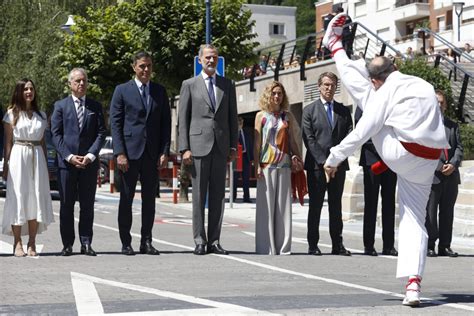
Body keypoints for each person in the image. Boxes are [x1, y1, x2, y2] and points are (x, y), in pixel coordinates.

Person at [322, 13, 448, 306]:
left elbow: (365, 129)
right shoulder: (424, 85)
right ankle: (413, 284)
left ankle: (335, 47)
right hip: (427, 162)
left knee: (366, 101)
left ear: (378, 80)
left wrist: (335, 156)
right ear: (396, 67)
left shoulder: (381, 90)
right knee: (415, 219)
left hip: (399, 153)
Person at [178, 43, 238, 256]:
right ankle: (199, 240)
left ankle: (214, 240)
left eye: (214, 57)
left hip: (221, 147)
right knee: (199, 196)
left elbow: (232, 117)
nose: (211, 61)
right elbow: (182, 119)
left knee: (218, 196)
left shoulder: (227, 85)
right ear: (200, 60)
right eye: (207, 58)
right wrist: (183, 148)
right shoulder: (189, 85)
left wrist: (233, 145)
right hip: (197, 148)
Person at [110, 51, 171, 256]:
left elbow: (165, 125)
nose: (146, 70)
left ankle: (146, 241)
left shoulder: (159, 92)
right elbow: (116, 124)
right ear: (134, 67)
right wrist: (119, 153)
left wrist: (164, 152)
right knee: (126, 199)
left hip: (152, 155)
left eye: (149, 66)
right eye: (142, 66)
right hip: (129, 154)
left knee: (149, 201)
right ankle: (126, 242)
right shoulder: (121, 90)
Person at [51, 68, 107, 256]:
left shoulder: (95, 107)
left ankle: (86, 243)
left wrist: (90, 155)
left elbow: (101, 133)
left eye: (84, 81)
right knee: (66, 204)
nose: (81, 84)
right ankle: (67, 244)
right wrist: (69, 156)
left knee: (87, 205)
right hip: (66, 164)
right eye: (77, 81)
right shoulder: (60, 106)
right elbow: (56, 134)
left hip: (88, 164)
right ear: (70, 84)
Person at [302, 72, 353, 256]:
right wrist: (325, 162)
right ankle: (313, 244)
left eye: (332, 85)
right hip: (317, 167)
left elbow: (349, 136)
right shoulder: (309, 110)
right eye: (325, 85)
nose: (329, 88)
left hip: (338, 166)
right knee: (315, 205)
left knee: (336, 206)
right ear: (319, 86)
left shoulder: (344, 111)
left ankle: (337, 244)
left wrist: (336, 161)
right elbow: (309, 139)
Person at [2, 78, 54, 257]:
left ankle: (32, 242)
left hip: (37, 156)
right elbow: (8, 143)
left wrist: (46, 166)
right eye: (25, 89)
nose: (29, 92)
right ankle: (17, 243)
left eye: (31, 88)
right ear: (19, 91)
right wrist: (6, 165)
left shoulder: (42, 114)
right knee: (18, 198)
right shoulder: (11, 114)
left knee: (36, 198)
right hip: (18, 156)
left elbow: (43, 142)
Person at [254, 81, 303, 255]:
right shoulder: (261, 116)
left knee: (283, 208)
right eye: (274, 93)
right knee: (266, 208)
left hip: (284, 165)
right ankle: (266, 246)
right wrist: (256, 165)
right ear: (268, 94)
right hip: (266, 165)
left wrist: (298, 159)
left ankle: (283, 247)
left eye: (280, 93)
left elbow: (294, 140)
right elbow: (257, 143)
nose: (277, 96)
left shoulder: (287, 116)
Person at [355, 107, 397, 257]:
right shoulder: (364, 105)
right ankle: (369, 245)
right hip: (371, 160)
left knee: (389, 204)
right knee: (371, 203)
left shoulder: (391, 104)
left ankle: (389, 245)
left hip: (390, 161)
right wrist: (382, 148)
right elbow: (362, 132)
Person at [425, 90, 463, 258]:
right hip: (434, 176)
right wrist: (440, 166)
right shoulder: (426, 125)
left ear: (445, 105)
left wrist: (453, 164)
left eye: (442, 102)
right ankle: (430, 245)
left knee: (447, 212)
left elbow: (460, 149)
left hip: (451, 176)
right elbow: (425, 150)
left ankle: (445, 245)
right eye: (437, 102)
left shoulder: (453, 126)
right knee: (431, 213)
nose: (439, 105)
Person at [233, 116, 253, 203]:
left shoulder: (246, 133)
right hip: (236, 158)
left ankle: (246, 197)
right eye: (238, 122)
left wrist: (252, 158)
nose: (240, 123)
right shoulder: (233, 133)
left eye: (241, 122)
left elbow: (250, 145)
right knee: (235, 178)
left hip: (245, 157)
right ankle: (233, 197)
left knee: (246, 179)